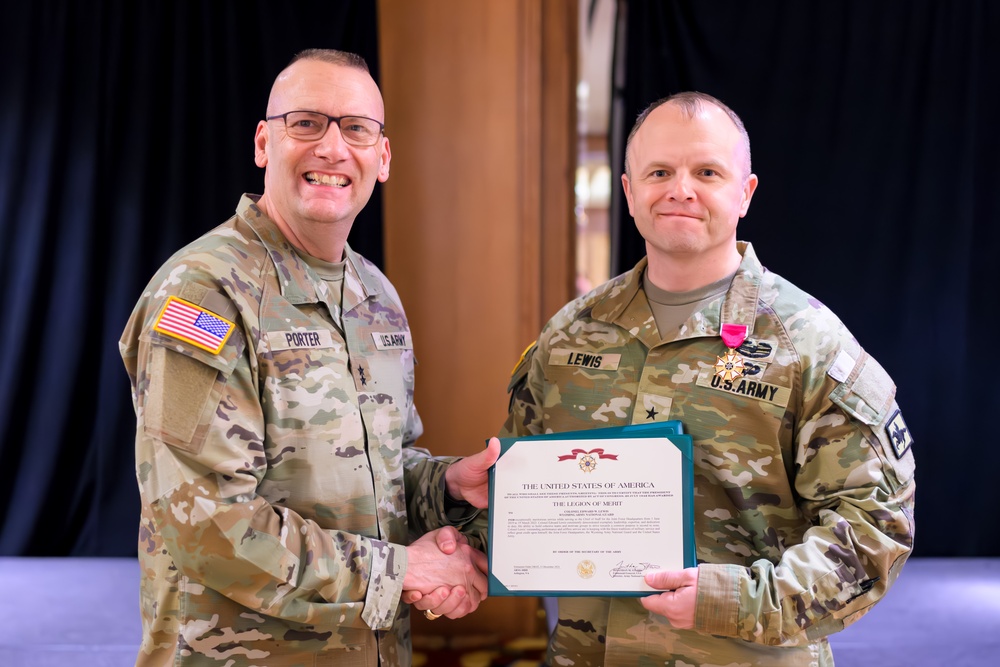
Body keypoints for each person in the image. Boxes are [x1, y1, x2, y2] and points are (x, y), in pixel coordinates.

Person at [502, 92, 916, 666]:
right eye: (660, 172)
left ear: (744, 193)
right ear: (628, 191)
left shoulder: (809, 343)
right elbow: (521, 491)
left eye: (707, 172)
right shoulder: (570, 335)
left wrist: (735, 601)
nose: (681, 189)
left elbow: (874, 526)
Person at [119, 48, 499, 667]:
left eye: (356, 128)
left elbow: (377, 473)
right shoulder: (205, 294)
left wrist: (447, 487)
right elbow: (207, 524)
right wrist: (400, 570)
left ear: (383, 158)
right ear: (264, 143)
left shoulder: (374, 294)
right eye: (306, 124)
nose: (332, 148)